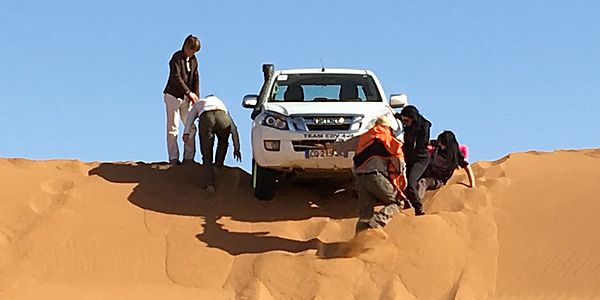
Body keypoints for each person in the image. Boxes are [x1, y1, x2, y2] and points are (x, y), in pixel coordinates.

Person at [327, 116, 406, 235]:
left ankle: (358, 242)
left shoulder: (363, 137)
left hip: (359, 178)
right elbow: (398, 161)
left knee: (365, 214)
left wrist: (331, 146)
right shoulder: (388, 139)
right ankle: (377, 224)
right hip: (375, 176)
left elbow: (344, 146)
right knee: (397, 202)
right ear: (388, 126)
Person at [183, 95, 241, 193]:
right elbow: (233, 128)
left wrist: (186, 132)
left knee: (207, 155)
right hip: (223, 117)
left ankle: (210, 185)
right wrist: (237, 147)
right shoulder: (221, 104)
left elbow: (190, 119)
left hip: (206, 117)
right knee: (223, 142)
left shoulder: (200, 103)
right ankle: (218, 166)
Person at [163, 34, 201, 165]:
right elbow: (176, 77)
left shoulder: (194, 60)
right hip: (173, 96)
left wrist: (196, 96)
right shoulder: (176, 58)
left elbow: (196, 78)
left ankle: (189, 158)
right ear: (185, 46)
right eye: (191, 49)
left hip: (186, 99)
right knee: (173, 127)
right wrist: (188, 92)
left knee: (191, 127)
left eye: (194, 50)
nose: (192, 52)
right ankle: (173, 158)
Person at [394, 105, 431, 215]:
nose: (404, 122)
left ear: (413, 118)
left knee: (411, 183)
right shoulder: (407, 121)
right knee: (403, 182)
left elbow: (422, 144)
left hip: (420, 159)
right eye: (403, 120)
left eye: (406, 120)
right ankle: (406, 203)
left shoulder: (423, 127)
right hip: (408, 157)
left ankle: (418, 208)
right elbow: (398, 116)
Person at [417, 131, 476, 199]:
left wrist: (473, 186)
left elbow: (468, 169)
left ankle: (414, 204)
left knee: (423, 182)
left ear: (447, 144)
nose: (440, 144)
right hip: (426, 170)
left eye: (441, 143)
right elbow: (426, 143)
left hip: (438, 180)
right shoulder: (438, 145)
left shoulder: (456, 156)